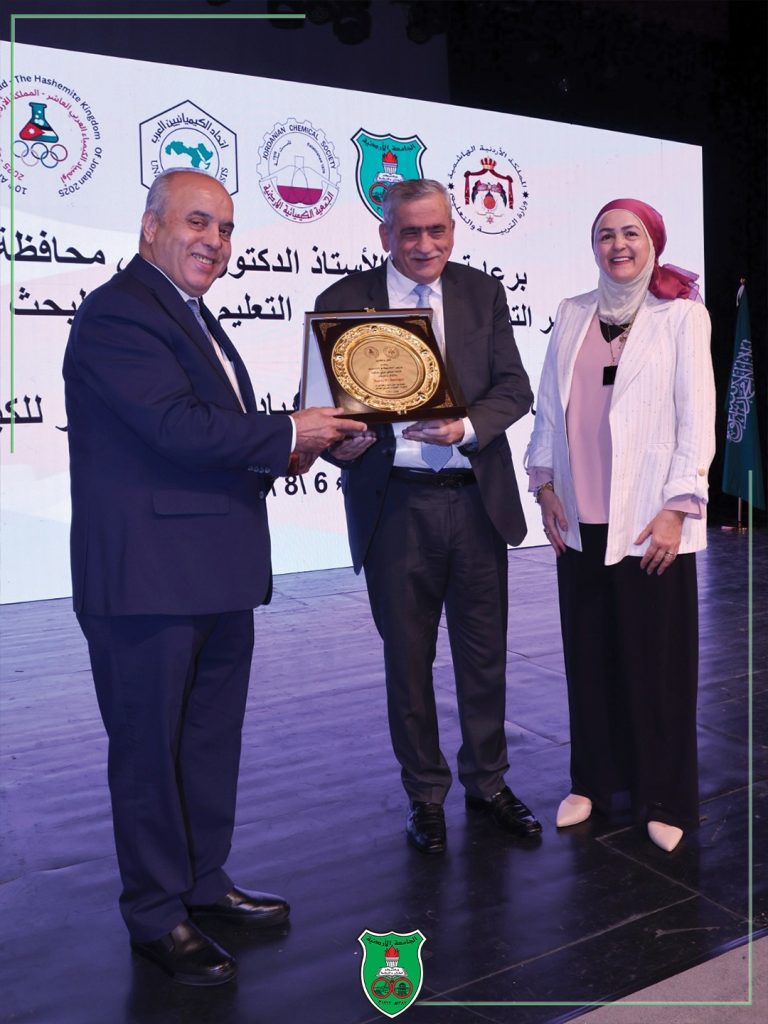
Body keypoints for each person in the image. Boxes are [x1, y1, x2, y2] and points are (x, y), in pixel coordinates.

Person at [63, 168, 365, 985]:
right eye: (198, 222)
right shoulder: (118, 313)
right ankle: (155, 913)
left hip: (215, 573)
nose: (215, 241)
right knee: (148, 752)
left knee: (204, 742)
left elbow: (217, 439)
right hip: (147, 582)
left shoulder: (191, 316)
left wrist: (307, 444)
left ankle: (201, 882)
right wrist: (288, 431)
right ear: (150, 227)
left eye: (226, 229)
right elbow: (175, 428)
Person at [315, 179, 540, 854]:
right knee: (408, 662)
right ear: (385, 233)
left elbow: (515, 388)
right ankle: (425, 795)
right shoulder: (341, 301)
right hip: (396, 506)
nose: (423, 245)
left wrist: (466, 426)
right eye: (409, 231)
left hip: (475, 501)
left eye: (436, 230)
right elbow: (323, 412)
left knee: (484, 656)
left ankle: (489, 784)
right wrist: (339, 444)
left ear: (452, 231)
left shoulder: (482, 292)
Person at [526, 197, 715, 852]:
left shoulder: (682, 316)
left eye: (631, 233)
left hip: (649, 522)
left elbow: (697, 418)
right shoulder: (572, 312)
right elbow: (549, 409)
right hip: (581, 517)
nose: (618, 245)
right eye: (605, 235)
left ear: (653, 242)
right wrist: (544, 485)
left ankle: (665, 798)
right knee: (588, 658)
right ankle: (593, 783)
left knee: (658, 668)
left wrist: (676, 508)